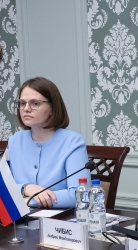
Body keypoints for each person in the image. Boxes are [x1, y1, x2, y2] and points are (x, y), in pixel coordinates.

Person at [8, 77, 90, 209]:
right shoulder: (15, 140)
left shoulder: (73, 141)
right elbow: (2, 187)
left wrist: (29, 201)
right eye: (22, 103)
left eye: (35, 103)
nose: (26, 109)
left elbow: (81, 194)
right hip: (19, 218)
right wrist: (26, 188)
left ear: (52, 108)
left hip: (60, 219)